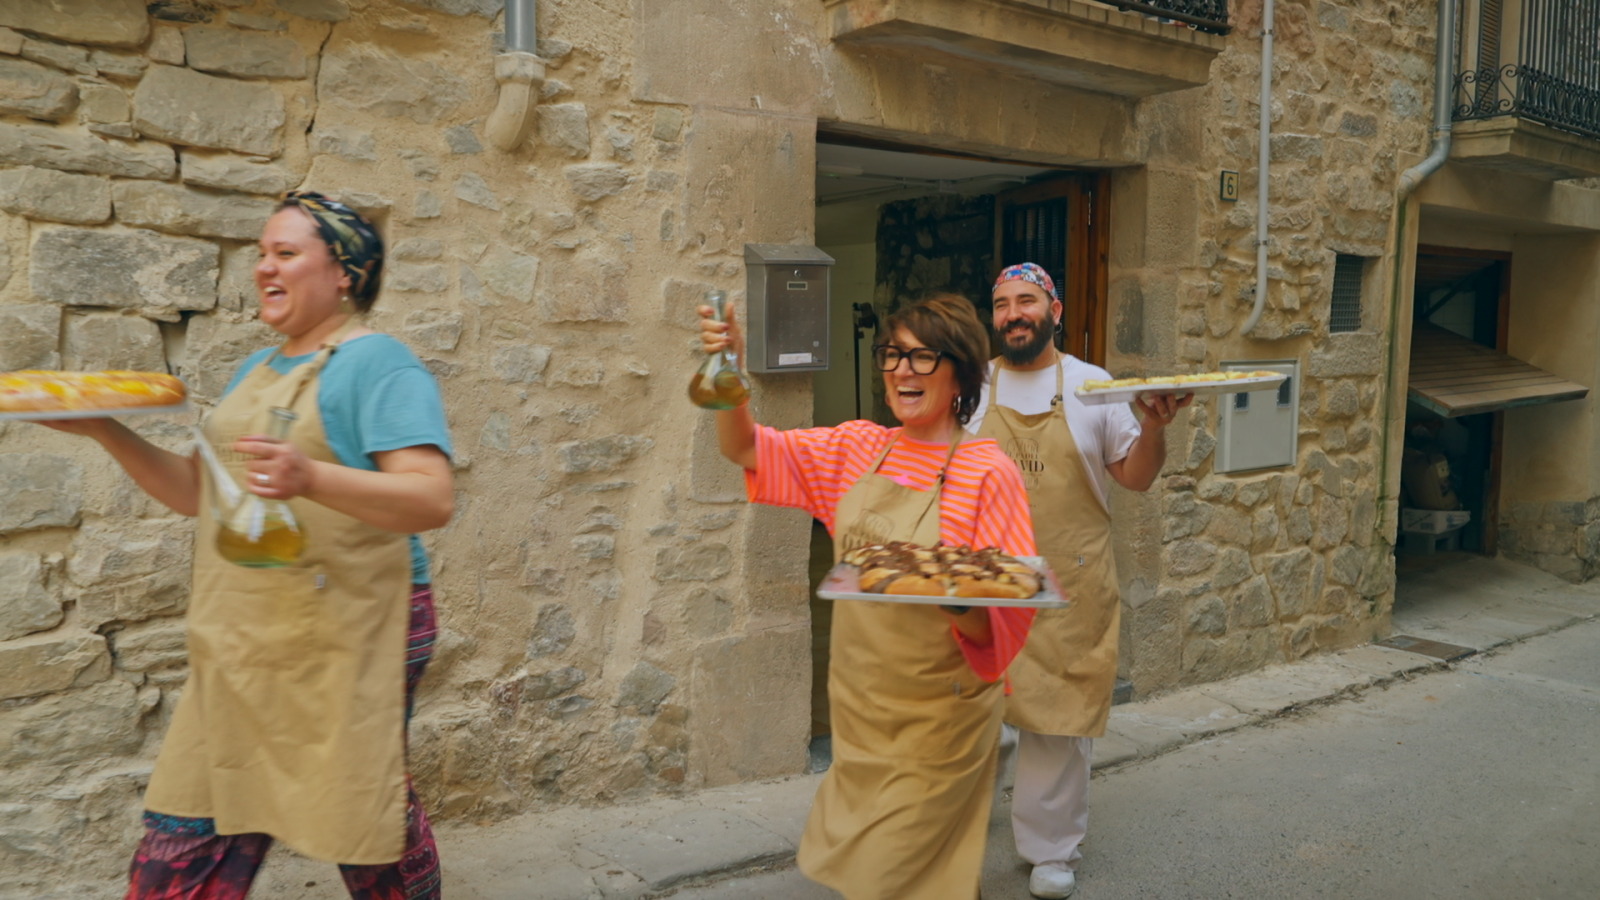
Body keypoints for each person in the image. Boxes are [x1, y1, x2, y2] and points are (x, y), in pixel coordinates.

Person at [36, 192, 454, 900]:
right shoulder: (252, 370)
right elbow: (200, 493)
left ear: (345, 272)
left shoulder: (380, 364)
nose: (264, 267)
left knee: (361, 810)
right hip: (243, 632)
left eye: (285, 254)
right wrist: (107, 429)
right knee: (186, 829)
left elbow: (431, 497)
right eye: (262, 253)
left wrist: (310, 475)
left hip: (351, 627)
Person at [698, 294, 1038, 900]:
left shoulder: (988, 472)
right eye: (892, 355)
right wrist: (730, 374)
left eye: (923, 357)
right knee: (897, 879)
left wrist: (941, 591)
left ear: (959, 371)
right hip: (861, 717)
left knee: (905, 874)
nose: (903, 370)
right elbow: (745, 448)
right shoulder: (854, 449)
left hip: (942, 719)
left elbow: (1005, 622)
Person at [966, 264, 1190, 900]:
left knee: (1058, 723)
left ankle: (1050, 850)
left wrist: (1154, 427)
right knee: (977, 715)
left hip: (1071, 582)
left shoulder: (1092, 386)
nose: (1014, 313)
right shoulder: (974, 387)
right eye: (1003, 303)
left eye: (1027, 301)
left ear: (1054, 310)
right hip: (989, 583)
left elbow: (1137, 478)